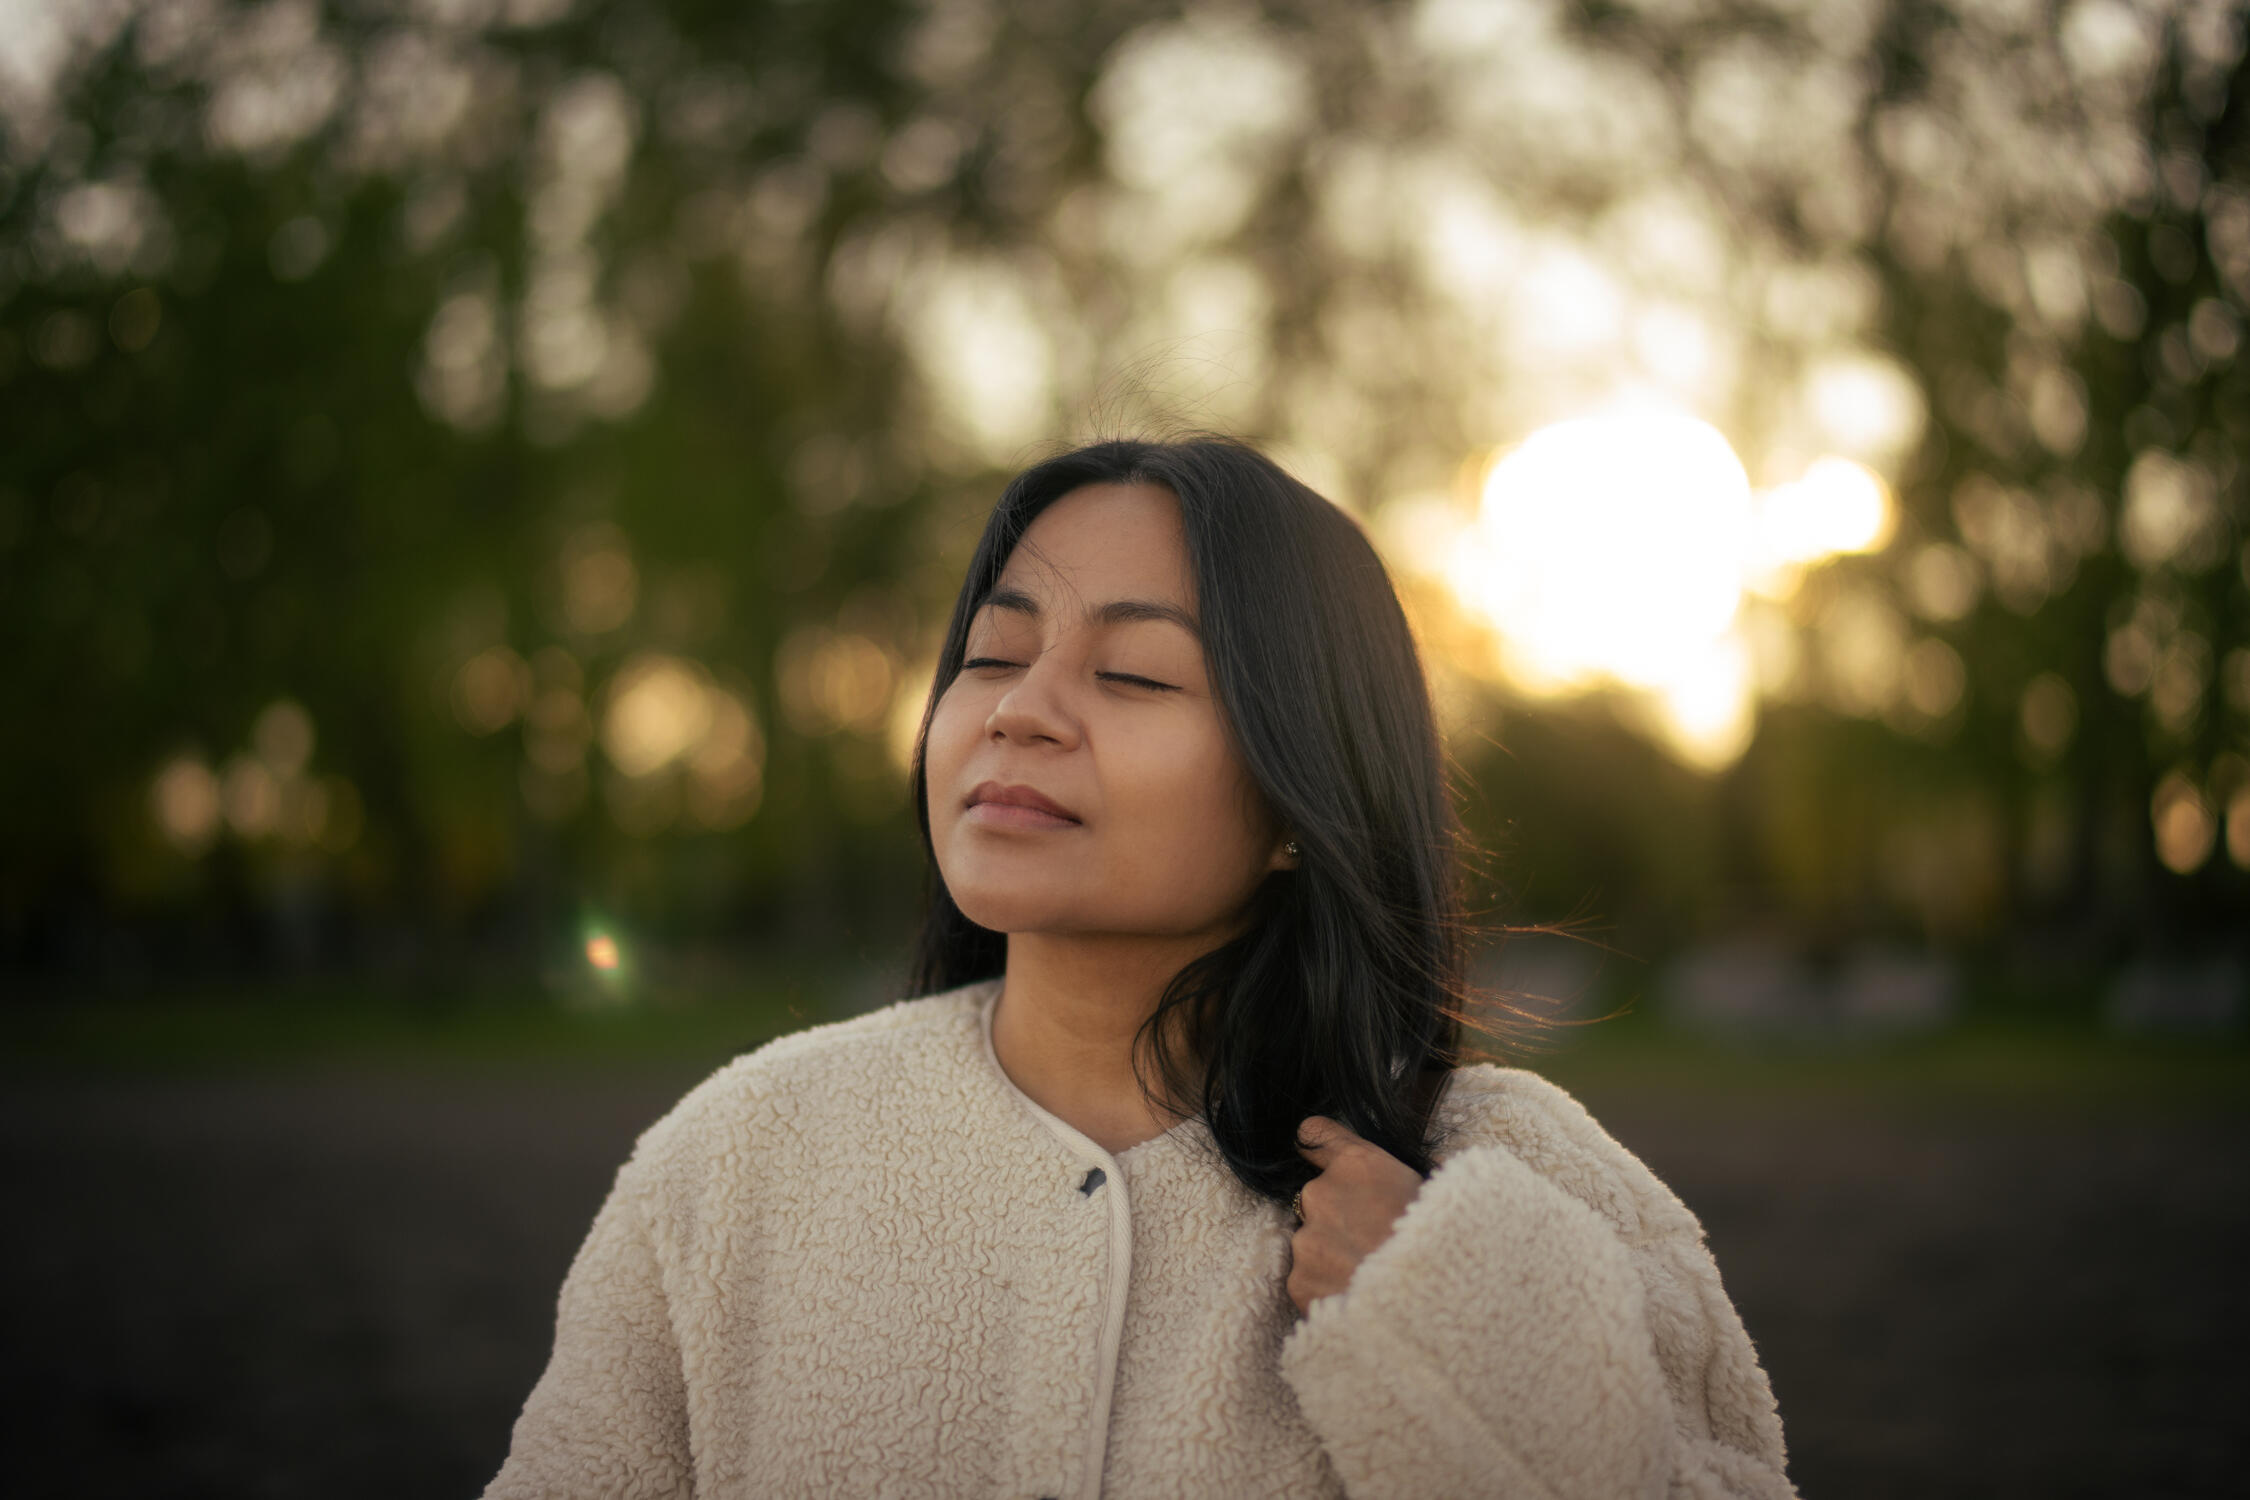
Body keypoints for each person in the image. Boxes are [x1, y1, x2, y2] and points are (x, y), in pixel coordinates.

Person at [483, 437, 1797, 1499]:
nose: (1020, 709)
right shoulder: (736, 1159)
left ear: (1300, 797)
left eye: (1131, 673)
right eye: (992, 656)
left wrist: (1452, 1309)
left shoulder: (1504, 1178)